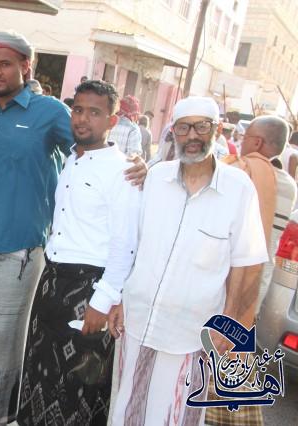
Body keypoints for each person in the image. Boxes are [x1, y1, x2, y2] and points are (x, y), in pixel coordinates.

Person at [0, 30, 147, 423]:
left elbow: (91, 146)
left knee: (3, 336)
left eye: (6, 64)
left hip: (20, 246)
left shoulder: (48, 112)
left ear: (25, 66)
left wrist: (138, 165)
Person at [109, 97, 269, 426]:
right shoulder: (155, 179)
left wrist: (233, 325)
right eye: (183, 128)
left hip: (191, 334)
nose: (192, 135)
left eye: (201, 126)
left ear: (217, 130)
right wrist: (119, 298)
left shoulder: (239, 189)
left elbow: (247, 264)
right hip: (138, 321)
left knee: (177, 417)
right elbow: (133, 246)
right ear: (173, 132)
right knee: (126, 410)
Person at [17, 80, 140, 425]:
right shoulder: (72, 159)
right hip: (53, 279)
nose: (83, 119)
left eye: (95, 113)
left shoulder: (122, 171)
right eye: (78, 110)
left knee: (79, 384)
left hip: (89, 288)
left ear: (112, 121)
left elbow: (126, 243)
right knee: (40, 372)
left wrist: (103, 300)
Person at [205, 115, 296, 426]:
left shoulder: (241, 173)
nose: (241, 144)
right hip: (255, 290)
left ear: (257, 142)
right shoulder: (288, 185)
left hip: (225, 283)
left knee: (207, 352)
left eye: (246, 138)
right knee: (233, 354)